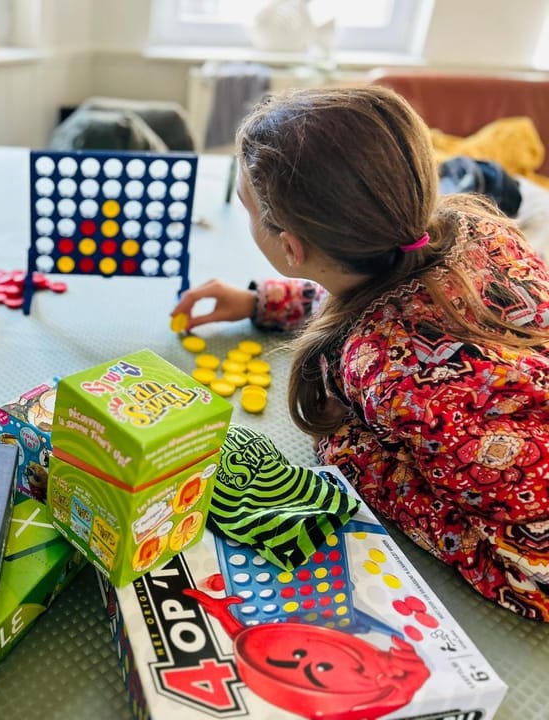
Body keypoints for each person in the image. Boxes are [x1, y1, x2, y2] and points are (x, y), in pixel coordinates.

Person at [171, 86, 549, 622]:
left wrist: (350, 452)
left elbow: (532, 576)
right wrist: (265, 301)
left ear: (292, 247)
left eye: (247, 207)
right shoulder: (473, 226)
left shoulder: (390, 378)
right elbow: (386, 281)